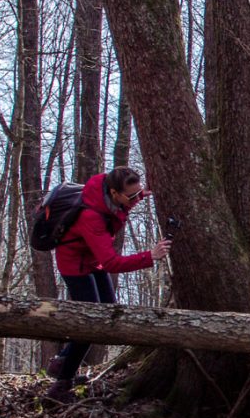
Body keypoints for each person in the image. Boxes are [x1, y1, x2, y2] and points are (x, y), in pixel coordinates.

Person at [44, 166, 171, 400]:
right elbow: (112, 262)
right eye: (131, 196)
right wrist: (149, 256)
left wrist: (142, 194)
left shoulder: (109, 197)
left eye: (137, 193)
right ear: (114, 193)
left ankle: (62, 362)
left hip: (91, 262)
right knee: (91, 324)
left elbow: (126, 202)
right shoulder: (91, 216)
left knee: (108, 313)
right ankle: (61, 385)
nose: (135, 199)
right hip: (75, 267)